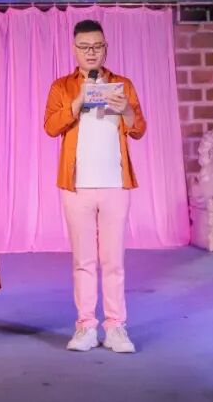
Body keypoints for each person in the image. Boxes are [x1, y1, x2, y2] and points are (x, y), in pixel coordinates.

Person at [43, 19, 145, 354]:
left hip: (115, 184)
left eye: (97, 46)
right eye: (85, 47)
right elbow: (50, 127)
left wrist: (126, 109)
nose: (91, 52)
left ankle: (115, 327)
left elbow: (139, 129)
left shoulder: (123, 84)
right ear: (74, 49)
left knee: (114, 261)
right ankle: (85, 325)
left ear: (106, 48)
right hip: (76, 186)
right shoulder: (61, 86)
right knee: (83, 260)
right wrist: (77, 102)